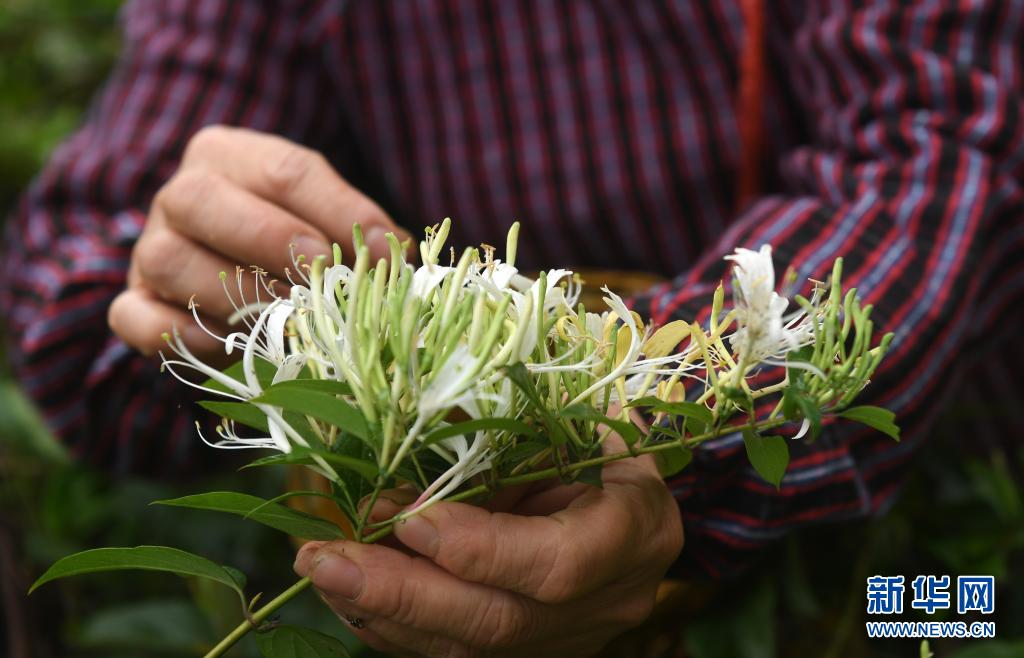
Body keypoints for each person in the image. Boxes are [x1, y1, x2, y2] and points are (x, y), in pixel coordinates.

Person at [3, 1, 1022, 655]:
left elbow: (945, 134)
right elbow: (65, 294)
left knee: (960, 619)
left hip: (941, 538)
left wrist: (669, 415)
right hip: (480, 551)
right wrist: (181, 275)